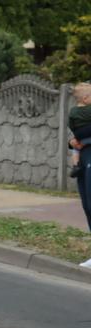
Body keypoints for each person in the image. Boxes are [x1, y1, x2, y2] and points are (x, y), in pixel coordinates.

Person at [68, 82, 91, 267]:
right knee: (87, 204)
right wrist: (73, 141)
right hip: (84, 157)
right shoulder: (80, 111)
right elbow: (77, 133)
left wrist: (81, 138)